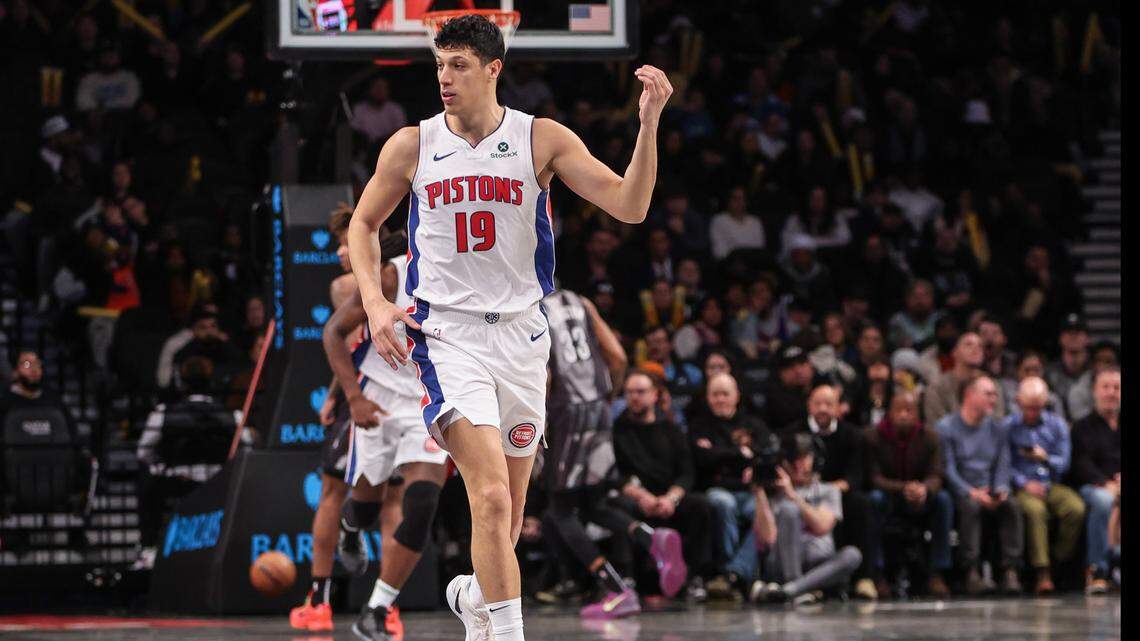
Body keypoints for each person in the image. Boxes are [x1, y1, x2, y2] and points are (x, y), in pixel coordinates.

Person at [346, 15, 672, 641]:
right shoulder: (412, 145)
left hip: (522, 338)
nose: (444, 77)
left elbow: (630, 206)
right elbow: (362, 225)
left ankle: (474, 595)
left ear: (493, 68)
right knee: (491, 497)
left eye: (459, 65)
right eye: (440, 65)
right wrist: (376, 303)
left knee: (509, 515)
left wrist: (649, 122)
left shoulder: (539, 138)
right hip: (447, 336)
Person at [318, 237, 451, 640]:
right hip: (380, 394)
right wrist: (353, 398)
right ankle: (350, 528)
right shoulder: (393, 274)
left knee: (422, 503)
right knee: (365, 504)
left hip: (430, 396)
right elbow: (333, 333)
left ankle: (377, 608)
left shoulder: (468, 273)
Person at [541, 289, 686, 619]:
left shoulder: (534, 308)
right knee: (595, 504)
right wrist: (607, 398)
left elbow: (545, 375)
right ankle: (652, 539)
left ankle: (615, 588)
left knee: (560, 510)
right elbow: (618, 357)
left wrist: (542, 420)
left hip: (566, 412)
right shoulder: (581, 302)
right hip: (599, 409)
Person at [289, 211, 392, 632]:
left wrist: (340, 396)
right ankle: (387, 606)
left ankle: (319, 601)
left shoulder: (347, 285)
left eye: (346, 243)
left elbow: (348, 344)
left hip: (370, 396)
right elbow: (355, 345)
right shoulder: (412, 271)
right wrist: (334, 393)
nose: (339, 252)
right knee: (393, 498)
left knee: (333, 492)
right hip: (399, 397)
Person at [134, 356, 246, 570]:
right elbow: (246, 448)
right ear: (211, 382)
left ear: (182, 383)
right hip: (214, 485)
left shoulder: (163, 413)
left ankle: (149, 548)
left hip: (180, 483)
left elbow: (143, 452)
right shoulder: (234, 416)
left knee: (149, 478)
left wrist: (161, 467)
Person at [612, 370, 715, 602]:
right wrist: (641, 496)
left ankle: (697, 578)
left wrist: (671, 498)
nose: (634, 397)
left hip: (669, 499)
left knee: (701, 505)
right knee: (618, 507)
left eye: (641, 392)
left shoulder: (671, 429)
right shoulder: (617, 430)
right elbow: (615, 475)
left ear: (655, 395)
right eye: (629, 392)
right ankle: (626, 580)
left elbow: (687, 473)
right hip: (637, 499)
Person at [750, 432, 863, 605]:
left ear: (815, 460)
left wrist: (793, 496)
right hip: (782, 566)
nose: (798, 465)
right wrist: (759, 491)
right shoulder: (773, 495)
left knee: (852, 554)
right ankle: (793, 585)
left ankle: (789, 591)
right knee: (788, 510)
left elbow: (822, 526)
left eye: (804, 459)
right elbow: (766, 539)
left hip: (819, 567)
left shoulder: (829, 491)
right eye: (793, 460)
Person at [935, 375, 1023, 595]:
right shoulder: (946, 428)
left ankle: (1009, 570)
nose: (994, 399)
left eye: (995, 394)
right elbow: (948, 469)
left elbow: (1002, 464)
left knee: (1011, 505)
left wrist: (1001, 489)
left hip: (989, 488)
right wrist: (971, 492)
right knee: (971, 507)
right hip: (961, 489)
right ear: (969, 395)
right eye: (988, 394)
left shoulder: (997, 428)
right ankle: (970, 571)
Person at [689, 372, 772, 600]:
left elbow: (765, 455)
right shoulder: (698, 426)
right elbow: (701, 460)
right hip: (716, 489)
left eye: (725, 394)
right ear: (707, 397)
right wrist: (739, 454)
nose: (720, 399)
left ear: (736, 396)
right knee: (723, 503)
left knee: (763, 512)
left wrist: (718, 453)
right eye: (715, 394)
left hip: (750, 491)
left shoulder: (754, 424)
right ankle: (732, 572)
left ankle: (731, 574)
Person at [787, 385, 874, 600]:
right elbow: (787, 470)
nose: (823, 409)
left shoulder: (853, 435)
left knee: (861, 504)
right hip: (795, 491)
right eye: (818, 403)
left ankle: (864, 578)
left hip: (832, 493)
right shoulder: (792, 433)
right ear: (809, 406)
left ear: (839, 408)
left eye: (828, 404)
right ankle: (792, 580)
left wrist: (823, 490)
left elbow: (853, 478)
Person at [864, 391, 952, 598]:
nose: (903, 414)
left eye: (909, 410)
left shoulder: (930, 437)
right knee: (873, 500)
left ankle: (937, 573)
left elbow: (936, 475)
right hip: (889, 495)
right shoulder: (873, 437)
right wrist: (904, 488)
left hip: (920, 497)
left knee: (943, 500)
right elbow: (874, 478)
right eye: (899, 410)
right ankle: (877, 573)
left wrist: (924, 489)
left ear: (918, 413)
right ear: (889, 412)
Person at [1005, 377, 1084, 596]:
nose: (1032, 412)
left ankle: (1057, 558)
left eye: (1037, 408)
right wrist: (1023, 483)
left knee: (1075, 508)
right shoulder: (1008, 426)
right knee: (1035, 511)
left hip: (1051, 483)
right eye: (1028, 407)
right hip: (1023, 486)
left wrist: (1045, 458)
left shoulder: (1057, 425)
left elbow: (1064, 464)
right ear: (1019, 402)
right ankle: (1043, 572)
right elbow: (1004, 464)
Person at [1069, 366, 1121, 594]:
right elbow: (1081, 464)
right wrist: (1107, 483)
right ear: (1095, 391)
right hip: (1093, 485)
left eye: (1117, 388)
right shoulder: (1082, 427)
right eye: (1106, 387)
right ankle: (1097, 570)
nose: (1111, 392)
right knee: (1103, 500)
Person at [923, 332, 1007, 425]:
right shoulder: (938, 387)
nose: (975, 349)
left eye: (980, 346)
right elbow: (935, 424)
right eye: (968, 344)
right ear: (955, 352)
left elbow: (998, 421)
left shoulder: (992, 385)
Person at [764, 344, 814, 432]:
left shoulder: (823, 384)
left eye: (802, 363)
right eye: (791, 366)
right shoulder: (775, 397)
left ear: (810, 365)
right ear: (781, 373)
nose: (798, 371)